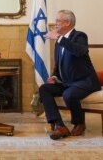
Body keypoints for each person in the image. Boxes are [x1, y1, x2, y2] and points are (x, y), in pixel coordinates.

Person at [39, 10, 101, 140]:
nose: (54, 24)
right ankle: (60, 125)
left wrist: (59, 38)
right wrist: (55, 77)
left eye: (57, 21)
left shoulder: (79, 36)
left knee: (69, 94)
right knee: (44, 89)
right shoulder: (58, 42)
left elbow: (79, 51)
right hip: (67, 82)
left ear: (67, 23)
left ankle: (79, 123)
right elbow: (58, 66)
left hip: (84, 81)